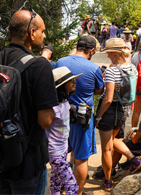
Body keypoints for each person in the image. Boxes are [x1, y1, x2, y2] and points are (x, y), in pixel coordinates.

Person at [0, 9, 59, 194]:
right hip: (27, 163)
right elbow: (45, 120)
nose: (44, 35)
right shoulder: (39, 65)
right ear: (32, 33)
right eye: (42, 31)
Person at [56, 36, 104, 195]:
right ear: (91, 51)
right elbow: (99, 90)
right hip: (82, 118)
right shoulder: (94, 68)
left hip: (60, 115)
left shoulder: (60, 62)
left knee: (62, 155)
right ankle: (77, 192)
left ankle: (61, 186)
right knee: (81, 159)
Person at [95, 38, 138, 192]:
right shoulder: (132, 68)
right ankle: (132, 161)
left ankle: (107, 181)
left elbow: (107, 98)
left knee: (106, 149)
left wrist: (99, 116)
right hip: (124, 110)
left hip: (110, 111)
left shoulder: (113, 70)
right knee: (115, 141)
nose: (107, 56)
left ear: (114, 52)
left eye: (108, 53)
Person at [47, 67, 82, 195]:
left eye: (74, 79)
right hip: (55, 152)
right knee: (72, 186)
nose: (75, 82)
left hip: (62, 150)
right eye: (71, 80)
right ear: (61, 85)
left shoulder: (65, 102)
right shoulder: (53, 107)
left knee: (56, 182)